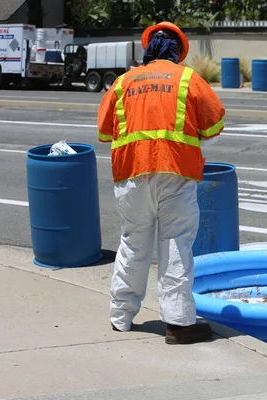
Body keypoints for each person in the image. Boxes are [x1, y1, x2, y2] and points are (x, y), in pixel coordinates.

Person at [97, 21, 225, 345]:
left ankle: (121, 316)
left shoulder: (123, 82)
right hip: (175, 173)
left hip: (131, 174)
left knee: (133, 243)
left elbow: (103, 131)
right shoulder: (187, 79)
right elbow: (215, 124)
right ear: (177, 52)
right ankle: (178, 323)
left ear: (148, 49)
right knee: (175, 245)